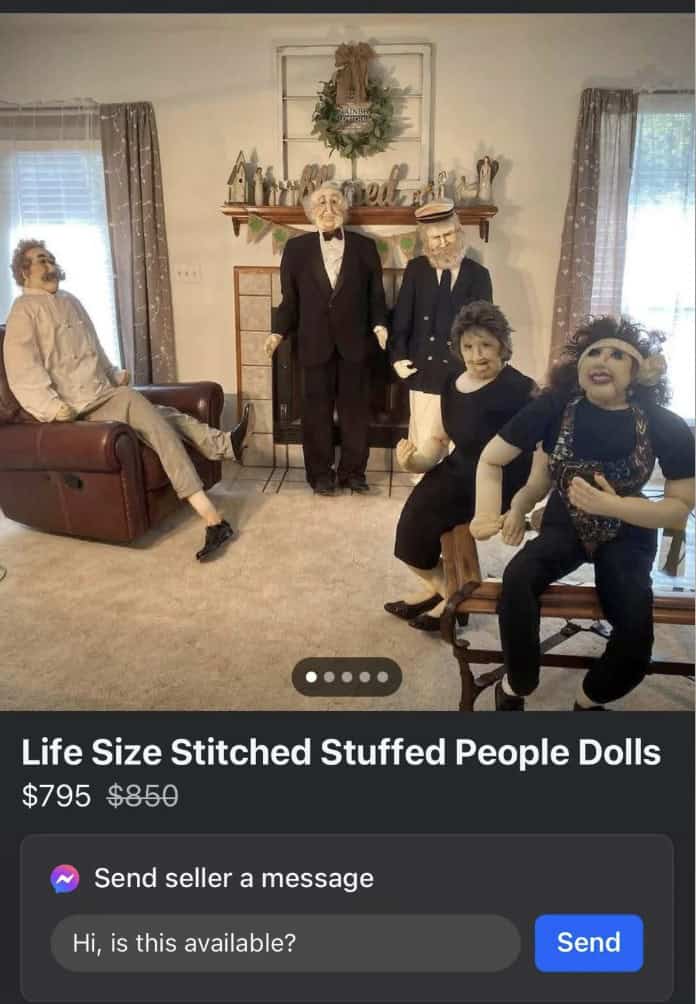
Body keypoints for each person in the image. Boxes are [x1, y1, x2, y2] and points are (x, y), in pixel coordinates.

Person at [471, 315, 695, 710]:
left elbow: (679, 510)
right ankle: (517, 682)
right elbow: (497, 460)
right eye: (593, 352)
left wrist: (613, 506)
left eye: (616, 355)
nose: (602, 360)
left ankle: (589, 700)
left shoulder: (665, 424)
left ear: (638, 372)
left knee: (635, 629)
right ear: (577, 366)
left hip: (629, 530)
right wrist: (506, 509)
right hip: (564, 523)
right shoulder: (553, 409)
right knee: (518, 578)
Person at [4, 239, 253, 562]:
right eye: (41, 260)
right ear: (24, 272)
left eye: (51, 258)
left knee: (164, 415)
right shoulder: (23, 311)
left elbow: (94, 347)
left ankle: (224, 444)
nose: (50, 264)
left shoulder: (70, 301)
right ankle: (212, 518)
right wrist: (52, 408)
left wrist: (112, 373)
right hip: (78, 407)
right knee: (156, 425)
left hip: (102, 392)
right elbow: (23, 370)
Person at [385, 301, 536, 630]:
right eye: (468, 346)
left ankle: (451, 599)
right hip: (457, 469)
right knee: (409, 536)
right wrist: (414, 462)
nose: (477, 355)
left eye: (486, 345)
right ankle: (446, 590)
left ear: (503, 346)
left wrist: (523, 502)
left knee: (422, 527)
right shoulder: (452, 380)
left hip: (497, 481)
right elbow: (438, 441)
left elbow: (540, 449)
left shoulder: (521, 389)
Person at [264, 182, 388, 495]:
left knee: (355, 413)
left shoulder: (365, 247)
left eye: (334, 201)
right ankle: (319, 474)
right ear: (310, 211)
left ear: (344, 208)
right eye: (321, 202)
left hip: (355, 345)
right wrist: (277, 332)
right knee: (315, 414)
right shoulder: (296, 249)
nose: (328, 209)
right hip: (313, 344)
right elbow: (289, 300)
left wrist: (380, 326)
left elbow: (376, 295)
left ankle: (353, 472)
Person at [389, 199, 493, 454]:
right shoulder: (416, 270)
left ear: (458, 232)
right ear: (426, 240)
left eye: (448, 234)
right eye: (436, 238)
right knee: (423, 443)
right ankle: (422, 478)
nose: (443, 242)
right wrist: (398, 357)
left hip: (462, 373)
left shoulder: (478, 275)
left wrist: (481, 367)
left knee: (460, 443)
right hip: (423, 370)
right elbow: (402, 319)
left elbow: (485, 330)